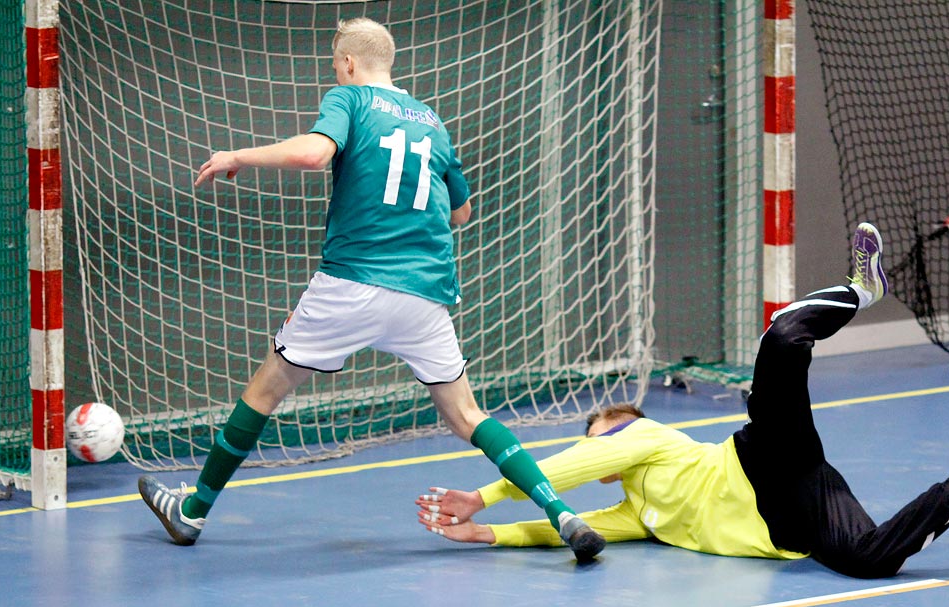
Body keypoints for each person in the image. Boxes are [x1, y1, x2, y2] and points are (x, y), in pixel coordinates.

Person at [138, 17, 604, 561]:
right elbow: (462, 211)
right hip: (425, 290)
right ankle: (563, 514)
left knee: (266, 390)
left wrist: (238, 157)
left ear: (350, 63)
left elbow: (315, 154)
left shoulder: (350, 98)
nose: (334, 68)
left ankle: (191, 512)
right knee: (466, 416)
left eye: (336, 60)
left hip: (353, 280)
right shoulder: (432, 122)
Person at [414, 222, 949, 578]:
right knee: (870, 559)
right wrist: (490, 536)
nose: (610, 437)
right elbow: (565, 529)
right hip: (793, 522)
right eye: (604, 433)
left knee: (783, 339)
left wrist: (485, 495)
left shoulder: (650, 440)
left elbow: (560, 473)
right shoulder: (635, 516)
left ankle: (861, 292)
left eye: (616, 428)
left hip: (764, 459)